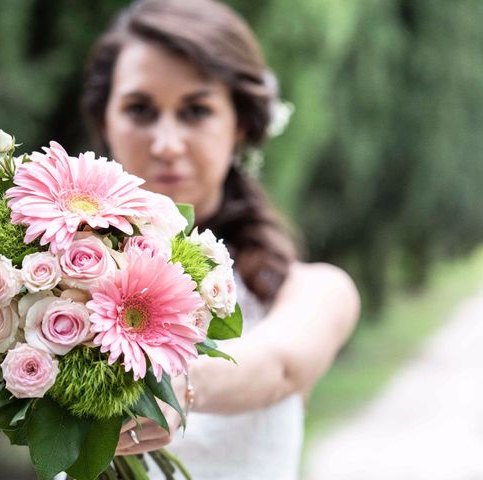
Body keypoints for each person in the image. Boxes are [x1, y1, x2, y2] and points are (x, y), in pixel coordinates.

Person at [80, 0, 360, 478]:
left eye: (196, 110)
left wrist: (180, 387)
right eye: (140, 109)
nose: (166, 143)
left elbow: (279, 365)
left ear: (241, 126)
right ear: (106, 121)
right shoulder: (54, 275)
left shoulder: (312, 290)